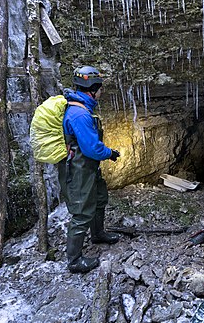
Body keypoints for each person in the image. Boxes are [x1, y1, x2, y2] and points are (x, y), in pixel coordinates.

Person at [57, 65, 121, 273]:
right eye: (100, 88)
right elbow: (92, 148)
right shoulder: (79, 115)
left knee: (100, 198)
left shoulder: (82, 108)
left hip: (88, 169)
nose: (102, 92)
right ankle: (74, 260)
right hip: (78, 170)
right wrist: (110, 153)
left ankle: (98, 233)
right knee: (82, 212)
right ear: (92, 89)